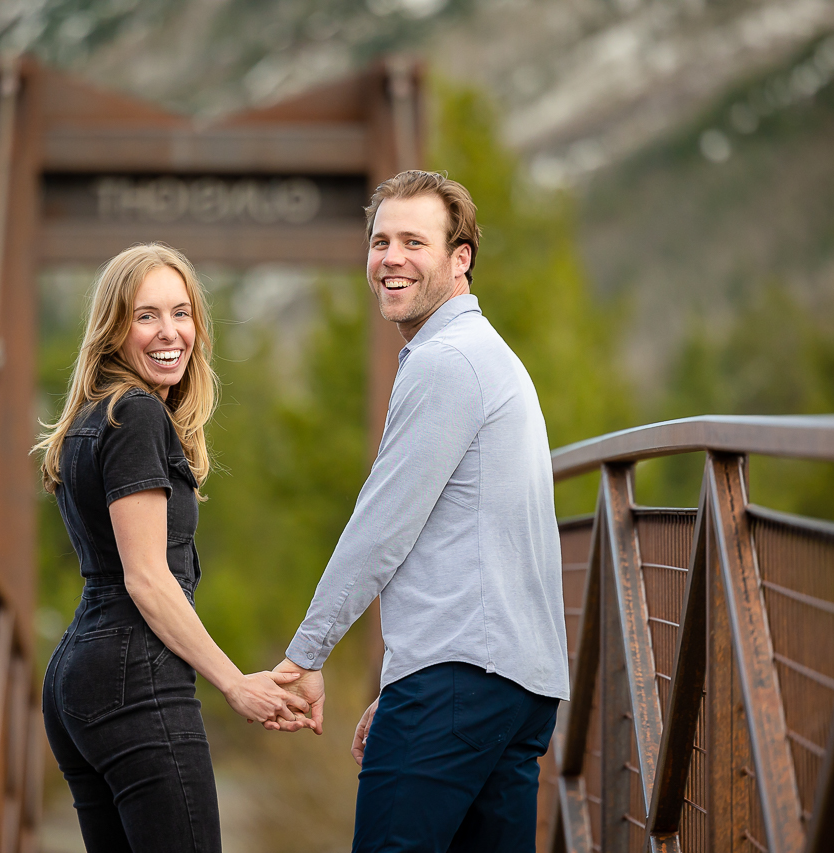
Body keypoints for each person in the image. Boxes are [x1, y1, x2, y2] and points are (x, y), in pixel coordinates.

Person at [268, 171, 571, 852]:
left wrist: (306, 654)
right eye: (380, 241)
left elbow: (383, 524)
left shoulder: (446, 363)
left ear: (459, 257)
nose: (390, 259)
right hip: (510, 683)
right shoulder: (489, 357)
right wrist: (408, 677)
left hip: (460, 681)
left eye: (414, 241)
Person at [34, 243, 312, 853]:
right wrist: (234, 682)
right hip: (135, 680)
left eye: (182, 313)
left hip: (78, 681)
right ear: (112, 331)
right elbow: (147, 580)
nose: (171, 333)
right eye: (146, 316)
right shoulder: (135, 416)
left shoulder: (92, 417)